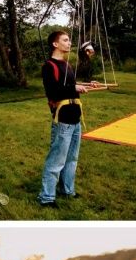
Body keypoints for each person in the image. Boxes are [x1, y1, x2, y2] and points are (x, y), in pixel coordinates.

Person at [38, 30, 97, 207]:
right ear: (55, 44)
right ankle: (47, 197)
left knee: (72, 158)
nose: (69, 42)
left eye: (69, 40)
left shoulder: (67, 65)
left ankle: (67, 190)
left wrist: (88, 85)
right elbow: (53, 92)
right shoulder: (49, 66)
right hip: (62, 119)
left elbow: (71, 86)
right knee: (56, 160)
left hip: (75, 117)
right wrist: (75, 88)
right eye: (65, 40)